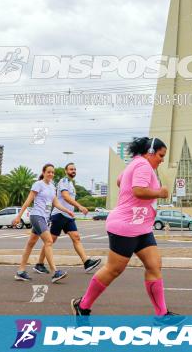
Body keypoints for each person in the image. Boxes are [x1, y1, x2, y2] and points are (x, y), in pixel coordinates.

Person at [71, 136, 182, 321]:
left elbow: (119, 180)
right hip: (126, 226)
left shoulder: (135, 164)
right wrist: (160, 193)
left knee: (154, 265)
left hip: (142, 227)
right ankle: (82, 306)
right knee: (114, 270)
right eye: (161, 155)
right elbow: (138, 190)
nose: (162, 160)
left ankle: (162, 316)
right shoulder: (143, 165)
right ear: (151, 152)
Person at [34, 162, 102, 275]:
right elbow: (65, 196)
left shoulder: (71, 183)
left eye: (74, 169)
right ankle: (39, 264)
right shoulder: (64, 181)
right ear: (66, 171)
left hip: (68, 216)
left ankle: (87, 262)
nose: (73, 171)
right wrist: (79, 206)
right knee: (50, 240)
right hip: (59, 215)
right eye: (71, 169)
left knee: (76, 238)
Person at [13, 164, 73, 283]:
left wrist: (68, 211)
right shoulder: (38, 184)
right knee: (49, 241)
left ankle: (20, 271)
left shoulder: (52, 186)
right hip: (37, 216)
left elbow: (55, 203)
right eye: (48, 172)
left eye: (52, 172)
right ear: (44, 172)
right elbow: (28, 201)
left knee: (30, 244)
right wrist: (19, 216)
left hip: (44, 218)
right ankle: (55, 272)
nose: (51, 174)